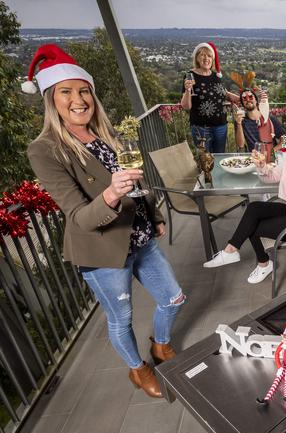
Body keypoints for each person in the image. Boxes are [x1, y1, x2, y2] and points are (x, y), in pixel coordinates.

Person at [24, 44, 185, 399]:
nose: (78, 99)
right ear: (51, 98)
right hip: (101, 252)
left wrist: (154, 215)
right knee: (121, 318)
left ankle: (160, 346)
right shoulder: (45, 149)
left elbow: (135, 180)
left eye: (84, 91)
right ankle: (139, 371)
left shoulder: (102, 133)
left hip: (140, 238)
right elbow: (80, 217)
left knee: (173, 298)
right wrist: (111, 193)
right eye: (65, 91)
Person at [204, 119, 286, 283]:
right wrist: (261, 166)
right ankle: (231, 250)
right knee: (253, 208)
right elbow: (272, 177)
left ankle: (263, 263)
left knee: (252, 227)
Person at [181, 41, 239, 153]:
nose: (206, 58)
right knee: (204, 160)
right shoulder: (190, 76)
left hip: (221, 126)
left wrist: (242, 97)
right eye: (202, 55)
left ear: (212, 59)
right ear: (197, 58)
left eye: (209, 56)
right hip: (201, 128)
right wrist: (188, 89)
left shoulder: (216, 76)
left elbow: (223, 93)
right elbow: (186, 106)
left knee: (219, 157)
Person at [234, 87, 285, 157]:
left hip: (271, 158)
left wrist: (272, 152)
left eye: (251, 97)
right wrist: (239, 124)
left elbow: (285, 139)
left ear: (256, 100)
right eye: (244, 99)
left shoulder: (269, 118)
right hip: (254, 158)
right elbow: (240, 145)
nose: (248, 100)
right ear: (243, 104)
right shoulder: (241, 121)